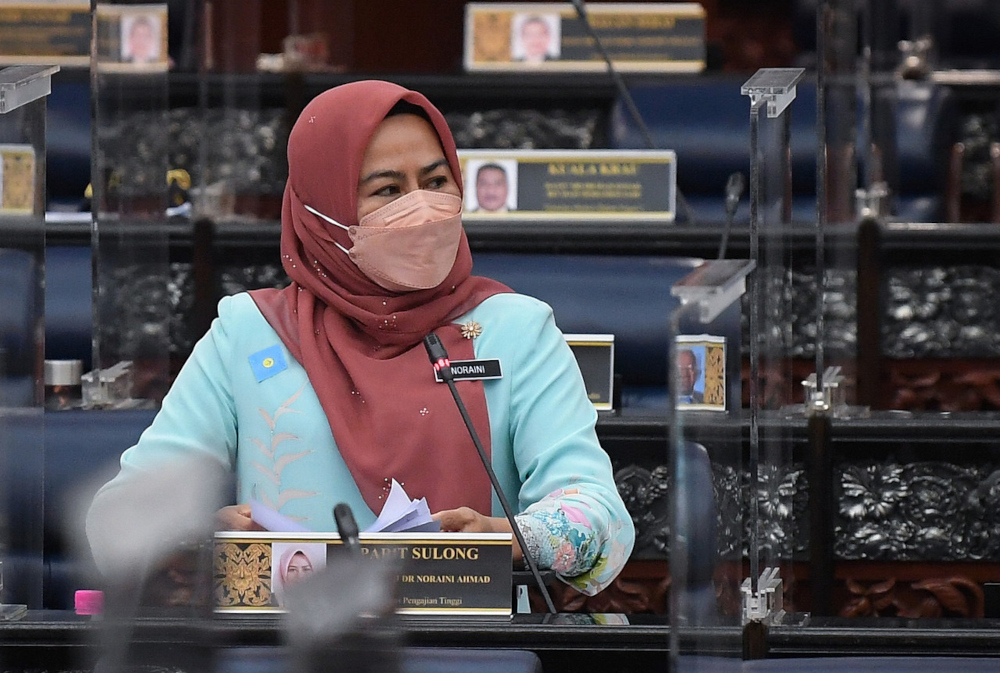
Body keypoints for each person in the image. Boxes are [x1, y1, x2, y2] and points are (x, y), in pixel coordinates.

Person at [87, 80, 634, 597]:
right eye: (388, 191)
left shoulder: (515, 329)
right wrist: (199, 533)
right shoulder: (249, 334)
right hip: (287, 648)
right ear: (324, 213)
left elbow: (601, 517)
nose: (422, 208)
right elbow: (119, 516)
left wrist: (511, 535)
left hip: (471, 644)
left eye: (437, 182)